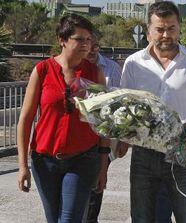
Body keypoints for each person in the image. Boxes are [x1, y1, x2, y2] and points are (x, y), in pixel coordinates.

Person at [118, 1, 186, 222]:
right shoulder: (133, 64)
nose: (166, 34)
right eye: (159, 29)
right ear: (148, 32)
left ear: (179, 28)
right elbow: (124, 108)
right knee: (141, 217)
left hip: (183, 153)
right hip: (143, 156)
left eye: (171, 28)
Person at [16, 14, 109, 223]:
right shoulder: (43, 70)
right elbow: (26, 119)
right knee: (54, 219)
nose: (86, 44)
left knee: (68, 220)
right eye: (79, 39)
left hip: (84, 159)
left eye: (89, 39)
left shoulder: (96, 74)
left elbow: (102, 123)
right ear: (62, 40)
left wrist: (103, 165)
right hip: (45, 161)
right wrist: (23, 166)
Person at [84, 35, 122, 223]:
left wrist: (123, 140)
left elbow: (120, 104)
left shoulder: (112, 68)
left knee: (96, 185)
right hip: (77, 137)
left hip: (103, 136)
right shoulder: (72, 66)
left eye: (96, 46)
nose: (92, 51)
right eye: (88, 46)